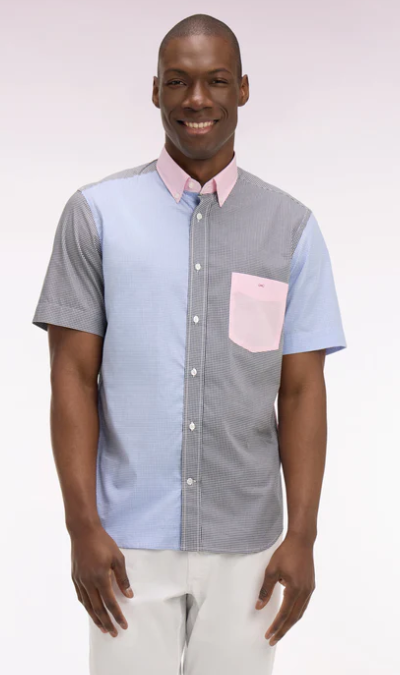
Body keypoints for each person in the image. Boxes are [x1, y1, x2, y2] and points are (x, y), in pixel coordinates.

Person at [32, 12, 347, 675]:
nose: (197, 99)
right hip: (127, 544)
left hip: (248, 548)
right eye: (178, 81)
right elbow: (71, 376)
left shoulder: (291, 228)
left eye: (216, 81)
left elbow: (300, 390)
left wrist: (303, 534)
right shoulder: (96, 215)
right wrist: (82, 526)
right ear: (155, 90)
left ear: (243, 89)